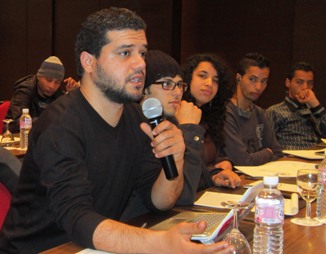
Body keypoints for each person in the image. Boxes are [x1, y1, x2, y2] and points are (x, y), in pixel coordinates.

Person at [0, 8, 234, 254]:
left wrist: (173, 161)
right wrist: (159, 243)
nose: (140, 64)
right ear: (88, 61)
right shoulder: (61, 125)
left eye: (142, 53)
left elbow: (158, 200)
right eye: (125, 53)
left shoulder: (136, 119)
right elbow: (77, 219)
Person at [142, 50, 241, 205]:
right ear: (144, 89)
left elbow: (195, 170)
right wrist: (189, 129)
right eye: (167, 84)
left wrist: (213, 176)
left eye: (180, 85)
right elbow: (183, 195)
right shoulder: (145, 128)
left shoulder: (173, 120)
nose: (177, 92)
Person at [181, 53, 238, 181]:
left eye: (215, 80)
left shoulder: (211, 115)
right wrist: (213, 173)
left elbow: (214, 157)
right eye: (202, 76)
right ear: (188, 78)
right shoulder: (178, 113)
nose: (209, 83)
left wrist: (225, 162)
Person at [222, 53, 283, 166]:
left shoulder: (258, 112)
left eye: (264, 81)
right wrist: (267, 153)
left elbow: (277, 151)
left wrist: (265, 154)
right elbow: (243, 160)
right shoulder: (226, 112)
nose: (258, 87)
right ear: (239, 78)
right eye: (253, 79)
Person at [265, 61, 326, 150]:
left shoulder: (314, 110)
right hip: (292, 159)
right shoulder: (275, 111)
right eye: (299, 82)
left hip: (317, 156)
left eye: (310, 83)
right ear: (288, 83)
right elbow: (267, 144)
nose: (305, 87)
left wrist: (315, 104)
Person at [4, 56, 79, 133]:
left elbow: (72, 120)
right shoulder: (24, 90)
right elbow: (18, 121)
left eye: (57, 82)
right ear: (39, 76)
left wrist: (74, 95)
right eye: (48, 80)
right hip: (17, 138)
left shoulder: (58, 95)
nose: (52, 86)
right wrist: (48, 120)